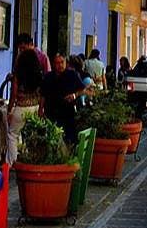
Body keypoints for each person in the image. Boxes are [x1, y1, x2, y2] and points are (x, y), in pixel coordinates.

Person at [8, 35, 43, 163]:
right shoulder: (37, 70)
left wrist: (9, 109)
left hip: (21, 107)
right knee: (30, 135)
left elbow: (13, 93)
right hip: (35, 106)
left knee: (12, 135)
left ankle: (12, 162)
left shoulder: (19, 72)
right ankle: (30, 160)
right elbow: (41, 90)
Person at [41, 53, 88, 144]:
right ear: (53, 64)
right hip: (51, 112)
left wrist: (74, 95)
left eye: (62, 62)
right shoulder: (49, 77)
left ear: (66, 63)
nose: (60, 65)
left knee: (68, 138)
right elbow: (43, 94)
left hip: (67, 112)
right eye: (57, 63)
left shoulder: (72, 75)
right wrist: (40, 109)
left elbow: (83, 89)